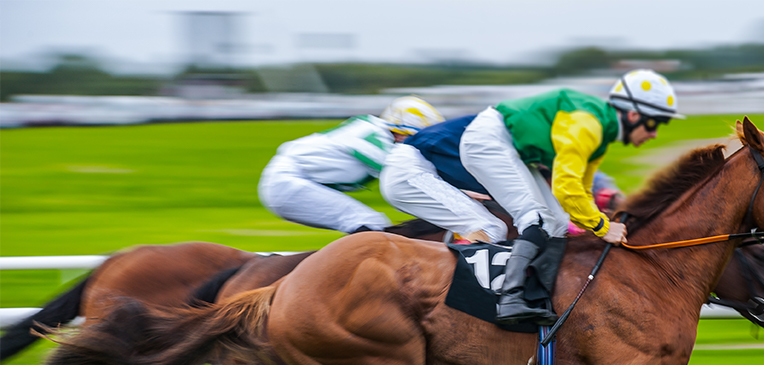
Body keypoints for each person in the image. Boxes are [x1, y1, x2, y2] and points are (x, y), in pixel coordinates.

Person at [459, 69, 682, 324]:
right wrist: (602, 226)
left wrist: (597, 220)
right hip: (490, 140)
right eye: (655, 124)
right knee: (537, 218)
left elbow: (582, 190)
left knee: (557, 221)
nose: (654, 134)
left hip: (509, 145)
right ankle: (510, 299)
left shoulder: (602, 132)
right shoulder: (589, 124)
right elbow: (566, 187)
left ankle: (538, 297)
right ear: (633, 115)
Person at [258, 96, 445, 234]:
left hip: (292, 181)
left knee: (372, 223)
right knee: (368, 222)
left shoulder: (375, 131)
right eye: (413, 138)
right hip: (288, 184)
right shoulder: (373, 136)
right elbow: (411, 178)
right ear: (397, 129)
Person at [379, 115, 508, 243]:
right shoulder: (501, 129)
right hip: (411, 173)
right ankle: (457, 262)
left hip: (411, 170)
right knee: (489, 228)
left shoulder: (494, 123)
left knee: (486, 225)